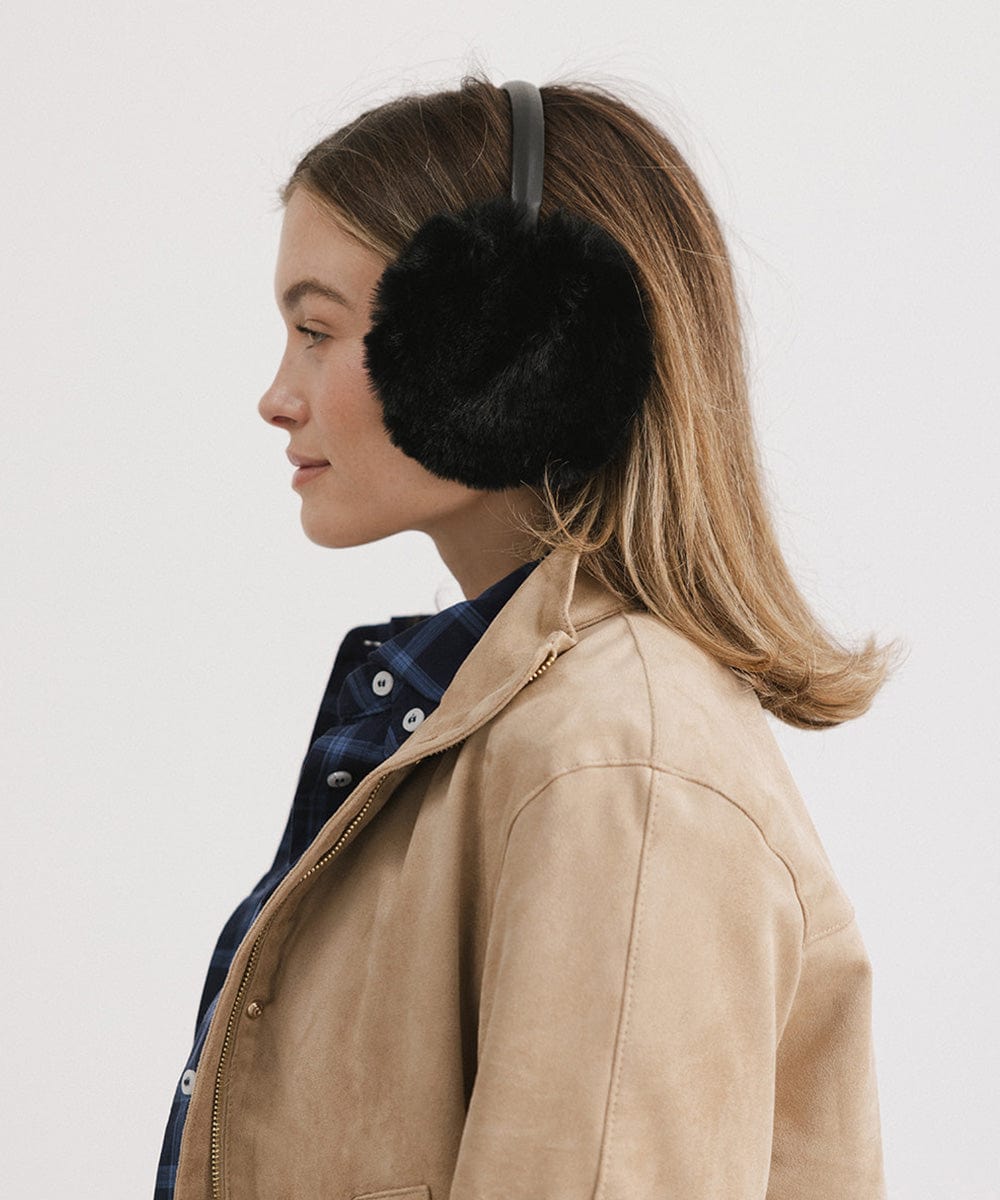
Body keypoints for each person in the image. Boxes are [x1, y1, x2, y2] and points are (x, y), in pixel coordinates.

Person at [155, 73, 906, 1200]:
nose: (276, 395)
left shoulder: (614, 766)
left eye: (317, 330)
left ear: (511, 342)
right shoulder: (509, 732)